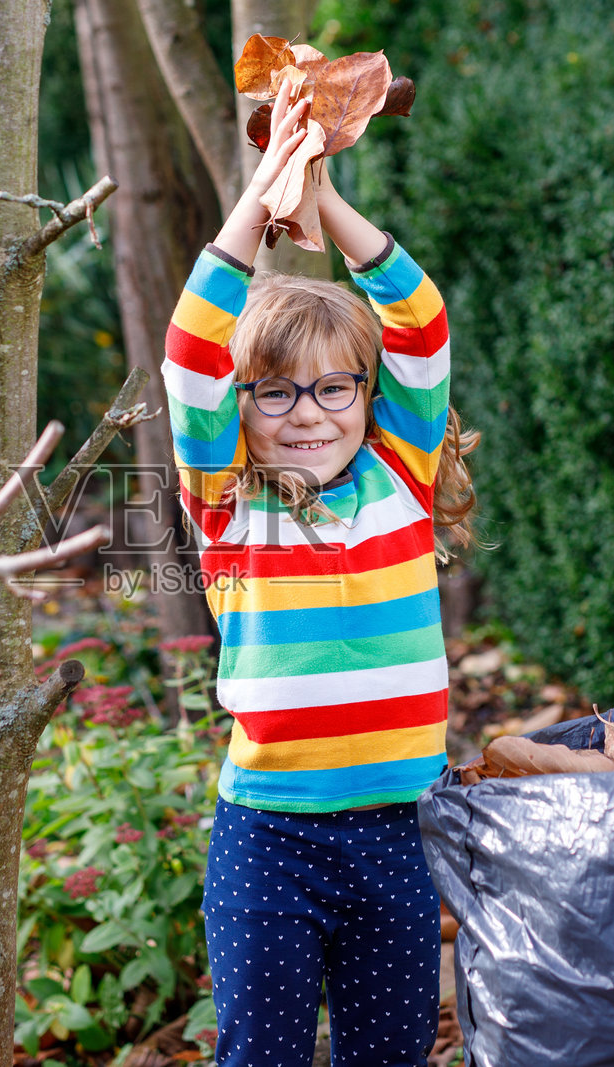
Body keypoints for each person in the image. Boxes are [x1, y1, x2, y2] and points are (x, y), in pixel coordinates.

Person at [161, 81, 479, 1066]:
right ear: (240, 403)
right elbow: (186, 355)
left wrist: (322, 194)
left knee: (387, 1053)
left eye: (336, 384)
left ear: (366, 394)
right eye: (273, 389)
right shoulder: (227, 500)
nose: (308, 410)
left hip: (397, 837)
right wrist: (261, 197)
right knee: (261, 1053)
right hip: (268, 843)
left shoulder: (402, 474)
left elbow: (420, 324)